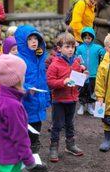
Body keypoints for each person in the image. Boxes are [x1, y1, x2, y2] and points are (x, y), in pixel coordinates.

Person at [46, 32, 85, 162]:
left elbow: (79, 78)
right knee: (57, 125)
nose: (70, 50)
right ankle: (54, 147)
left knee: (70, 124)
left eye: (72, 47)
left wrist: (83, 73)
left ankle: (70, 144)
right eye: (67, 47)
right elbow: (50, 82)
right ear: (59, 49)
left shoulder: (76, 62)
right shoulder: (55, 64)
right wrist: (62, 82)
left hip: (72, 99)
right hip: (59, 100)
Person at [14, 25, 50, 156]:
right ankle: (23, 159)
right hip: (25, 104)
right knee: (24, 133)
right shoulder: (19, 59)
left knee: (36, 132)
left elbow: (43, 80)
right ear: (23, 42)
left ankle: (34, 157)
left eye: (36, 38)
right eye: (30, 39)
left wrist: (46, 100)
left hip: (38, 103)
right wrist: (28, 88)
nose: (34, 41)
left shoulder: (40, 58)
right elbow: (15, 81)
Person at [75, 27, 105, 115]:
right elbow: (76, 59)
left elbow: (103, 54)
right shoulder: (80, 48)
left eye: (89, 38)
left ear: (92, 38)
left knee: (92, 91)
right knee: (82, 90)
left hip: (93, 74)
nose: (87, 40)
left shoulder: (97, 47)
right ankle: (82, 106)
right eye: (85, 38)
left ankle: (90, 106)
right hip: (82, 74)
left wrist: (105, 48)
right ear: (82, 38)